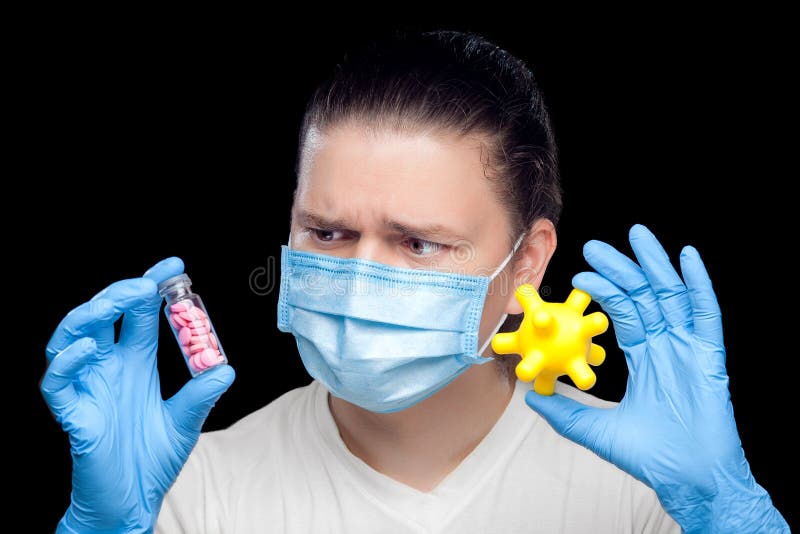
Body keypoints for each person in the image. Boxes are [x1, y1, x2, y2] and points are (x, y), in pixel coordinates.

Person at [41, 30, 789, 533]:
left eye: (420, 243)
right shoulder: (194, 498)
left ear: (526, 261)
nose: (362, 280)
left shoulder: (649, 491)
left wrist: (727, 509)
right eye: (327, 233)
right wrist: (98, 530)